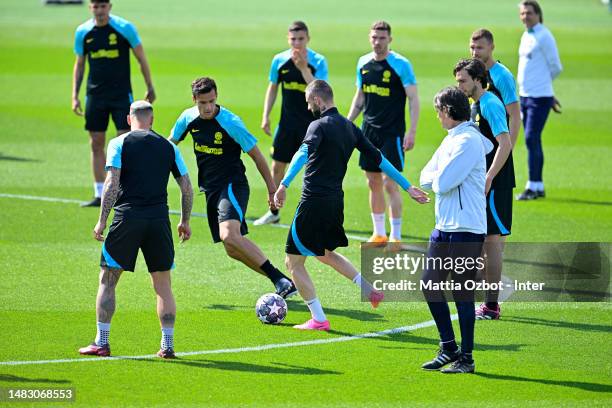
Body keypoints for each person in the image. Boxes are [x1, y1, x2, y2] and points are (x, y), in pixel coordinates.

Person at [274, 80, 429, 331]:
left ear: (316, 100)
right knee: (324, 253)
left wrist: (283, 184)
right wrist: (407, 186)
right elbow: (380, 159)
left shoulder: (317, 125)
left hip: (313, 201)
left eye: (307, 101)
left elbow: (302, 154)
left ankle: (318, 319)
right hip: (335, 202)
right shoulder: (350, 127)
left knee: (293, 262)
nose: (307, 106)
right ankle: (370, 290)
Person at [78, 101, 193, 359]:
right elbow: (186, 186)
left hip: (127, 218)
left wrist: (101, 220)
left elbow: (111, 182)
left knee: (108, 281)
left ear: (129, 119)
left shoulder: (119, 143)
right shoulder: (169, 147)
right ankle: (168, 345)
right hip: (159, 220)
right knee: (163, 286)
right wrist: (185, 220)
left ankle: (102, 342)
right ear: (151, 120)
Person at [169, 77, 297, 298]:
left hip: (232, 185)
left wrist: (271, 189)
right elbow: (169, 146)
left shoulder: (231, 122)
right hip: (210, 189)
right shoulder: (187, 119)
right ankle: (282, 281)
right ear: (194, 100)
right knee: (231, 248)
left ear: (216, 96)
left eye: (211, 101)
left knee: (229, 235)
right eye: (202, 103)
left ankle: (279, 279)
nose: (208, 107)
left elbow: (257, 156)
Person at [419, 87, 493, 374]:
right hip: (444, 226)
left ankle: (468, 358)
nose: (437, 116)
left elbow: (442, 182)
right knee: (429, 284)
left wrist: (439, 178)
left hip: (466, 228)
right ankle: (449, 347)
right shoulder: (451, 139)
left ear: (448, 111)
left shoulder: (469, 142)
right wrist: (439, 178)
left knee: (462, 291)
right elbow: (426, 176)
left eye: (438, 111)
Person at [72, 0, 155, 207]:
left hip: (120, 95)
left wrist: (149, 86)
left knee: (125, 143)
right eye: (95, 6)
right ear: (90, 7)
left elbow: (141, 58)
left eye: (103, 6)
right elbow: (80, 64)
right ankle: (100, 193)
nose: (99, 10)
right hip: (95, 96)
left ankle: (124, 191)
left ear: (109, 6)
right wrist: (75, 95)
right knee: (96, 142)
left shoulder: (124, 28)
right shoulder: (83, 32)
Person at [347, 21, 420, 245]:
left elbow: (413, 98)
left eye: (382, 38)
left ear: (390, 39)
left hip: (393, 132)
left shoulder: (401, 65)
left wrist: (412, 131)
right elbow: (360, 96)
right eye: (374, 38)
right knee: (373, 182)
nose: (377, 42)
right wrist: (348, 123)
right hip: (368, 132)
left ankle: (396, 236)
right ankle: (379, 233)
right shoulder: (363, 63)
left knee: (391, 182)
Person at [454, 58, 513, 320]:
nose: (460, 85)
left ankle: (491, 305)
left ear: (478, 79)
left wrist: (489, 178)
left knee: (492, 241)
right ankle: (479, 289)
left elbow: (505, 143)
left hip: (495, 182)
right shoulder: (475, 103)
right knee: (483, 240)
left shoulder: (490, 103)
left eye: (463, 81)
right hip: (484, 181)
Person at [255, 21, 328, 226]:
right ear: (288, 39)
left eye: (301, 39)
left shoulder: (318, 61)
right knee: (277, 166)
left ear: (308, 39)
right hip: (286, 124)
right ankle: (273, 211)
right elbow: (273, 87)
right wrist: (265, 115)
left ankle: (312, 214)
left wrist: (303, 68)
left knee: (312, 170)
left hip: (312, 125)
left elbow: (319, 90)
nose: (297, 43)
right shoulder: (279, 60)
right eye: (293, 39)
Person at [516, 0, 563, 200]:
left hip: (539, 97)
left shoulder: (545, 36)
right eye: (523, 13)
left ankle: (534, 186)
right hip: (525, 95)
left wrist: (544, 88)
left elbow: (556, 67)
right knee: (531, 139)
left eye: (529, 13)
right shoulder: (526, 35)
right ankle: (537, 185)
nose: (525, 16)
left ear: (538, 14)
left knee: (531, 137)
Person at [469, 29, 521, 147]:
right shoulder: (470, 72)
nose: (474, 53)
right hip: (476, 146)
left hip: (495, 145)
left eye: (479, 48)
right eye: (472, 47)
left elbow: (515, 116)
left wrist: (507, 150)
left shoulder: (502, 76)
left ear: (491, 47)